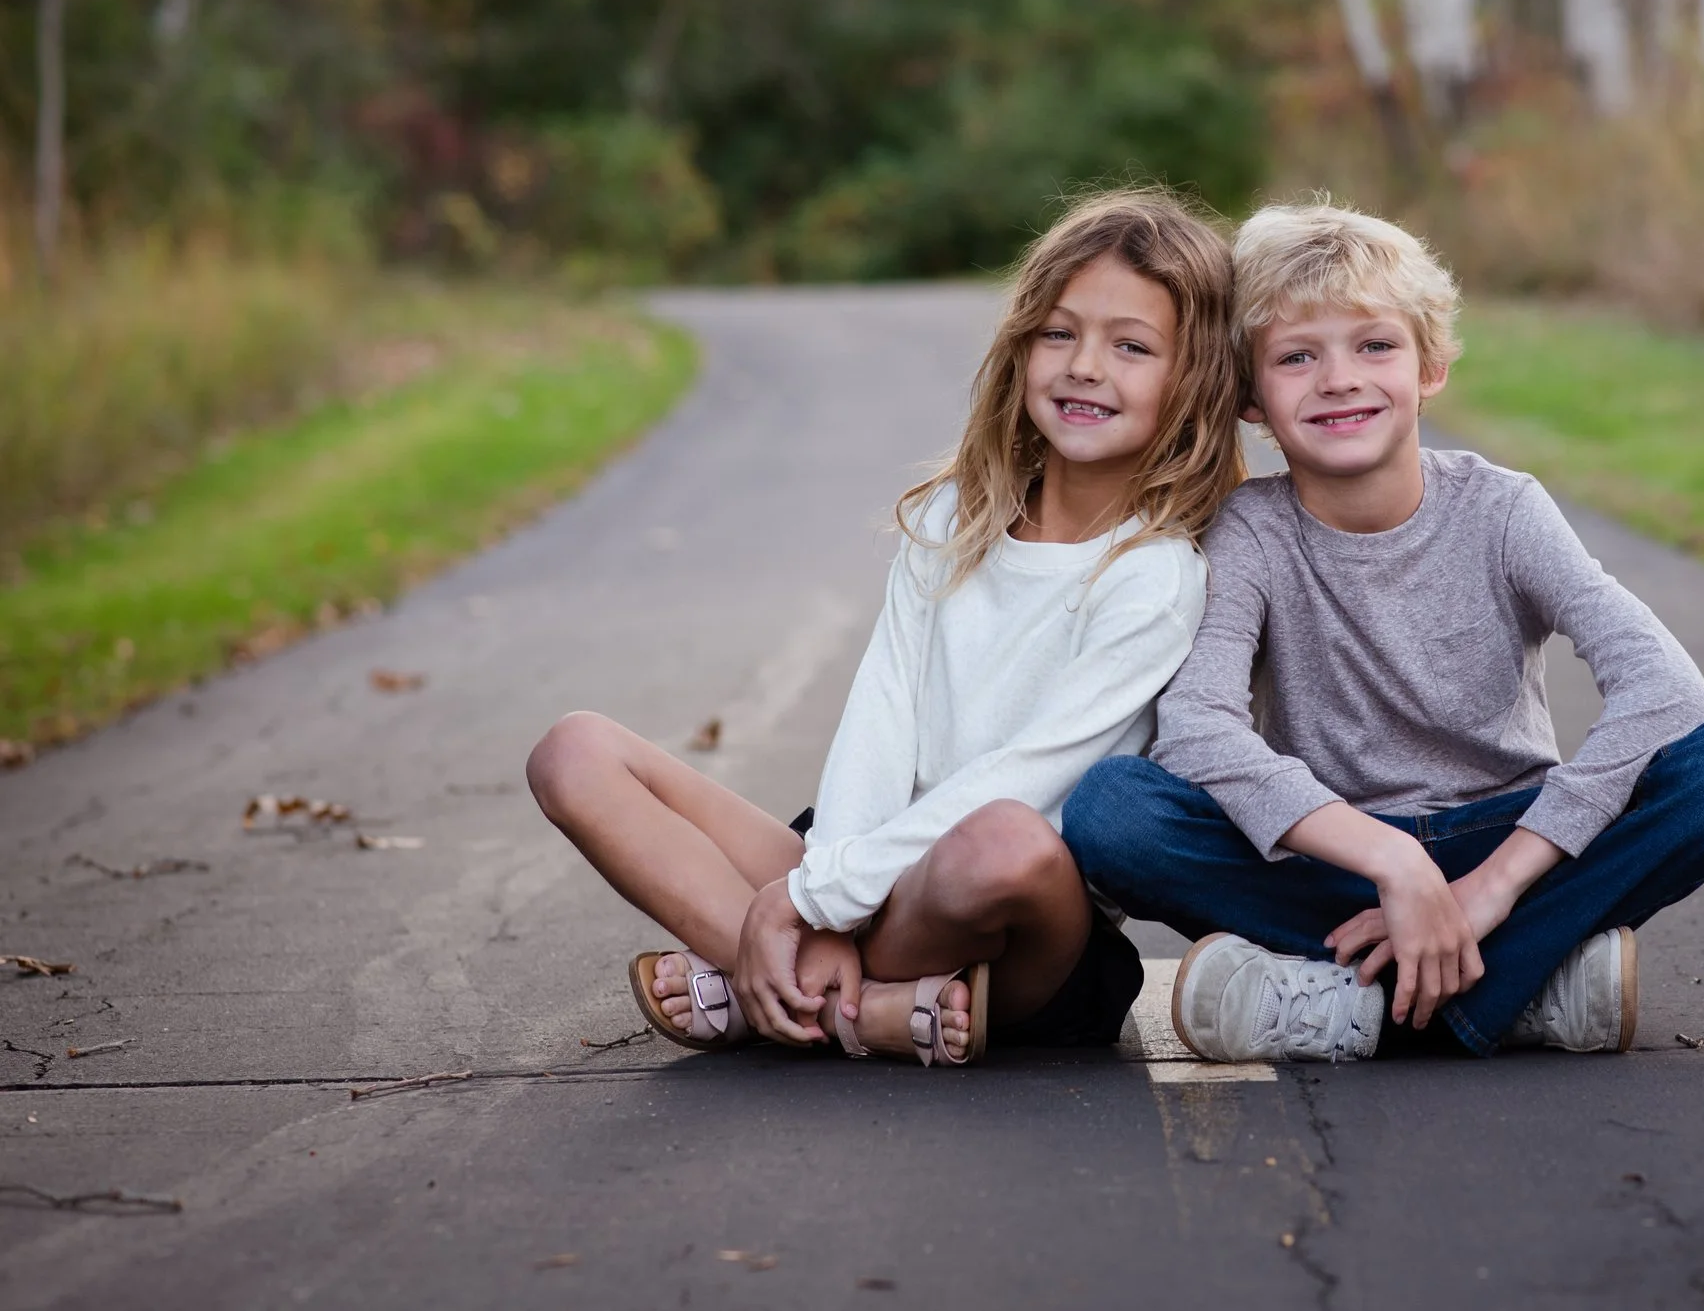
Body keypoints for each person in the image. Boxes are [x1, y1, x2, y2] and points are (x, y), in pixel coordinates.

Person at [1062, 200, 1704, 1062]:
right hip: (1339, 858)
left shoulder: (1504, 509)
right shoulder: (1249, 531)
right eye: (1297, 356)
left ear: (1432, 365)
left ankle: (1373, 997)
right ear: (1251, 397)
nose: (1339, 379)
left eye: (1375, 345)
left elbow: (1665, 689)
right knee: (1114, 809)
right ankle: (1521, 981)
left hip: (1509, 835)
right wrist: (1395, 863)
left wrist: (1490, 888)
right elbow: (1197, 729)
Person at [527, 189, 1242, 1066]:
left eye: (1131, 346)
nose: (1085, 366)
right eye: (1059, 333)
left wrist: (814, 902)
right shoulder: (956, 516)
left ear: (1193, 379)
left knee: (1005, 837)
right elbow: (884, 709)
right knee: (573, 753)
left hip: (1017, 934)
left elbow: (1032, 778)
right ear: (1021, 346)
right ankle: (848, 1004)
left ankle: (769, 986)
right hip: (867, 865)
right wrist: (825, 892)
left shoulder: (1156, 575)